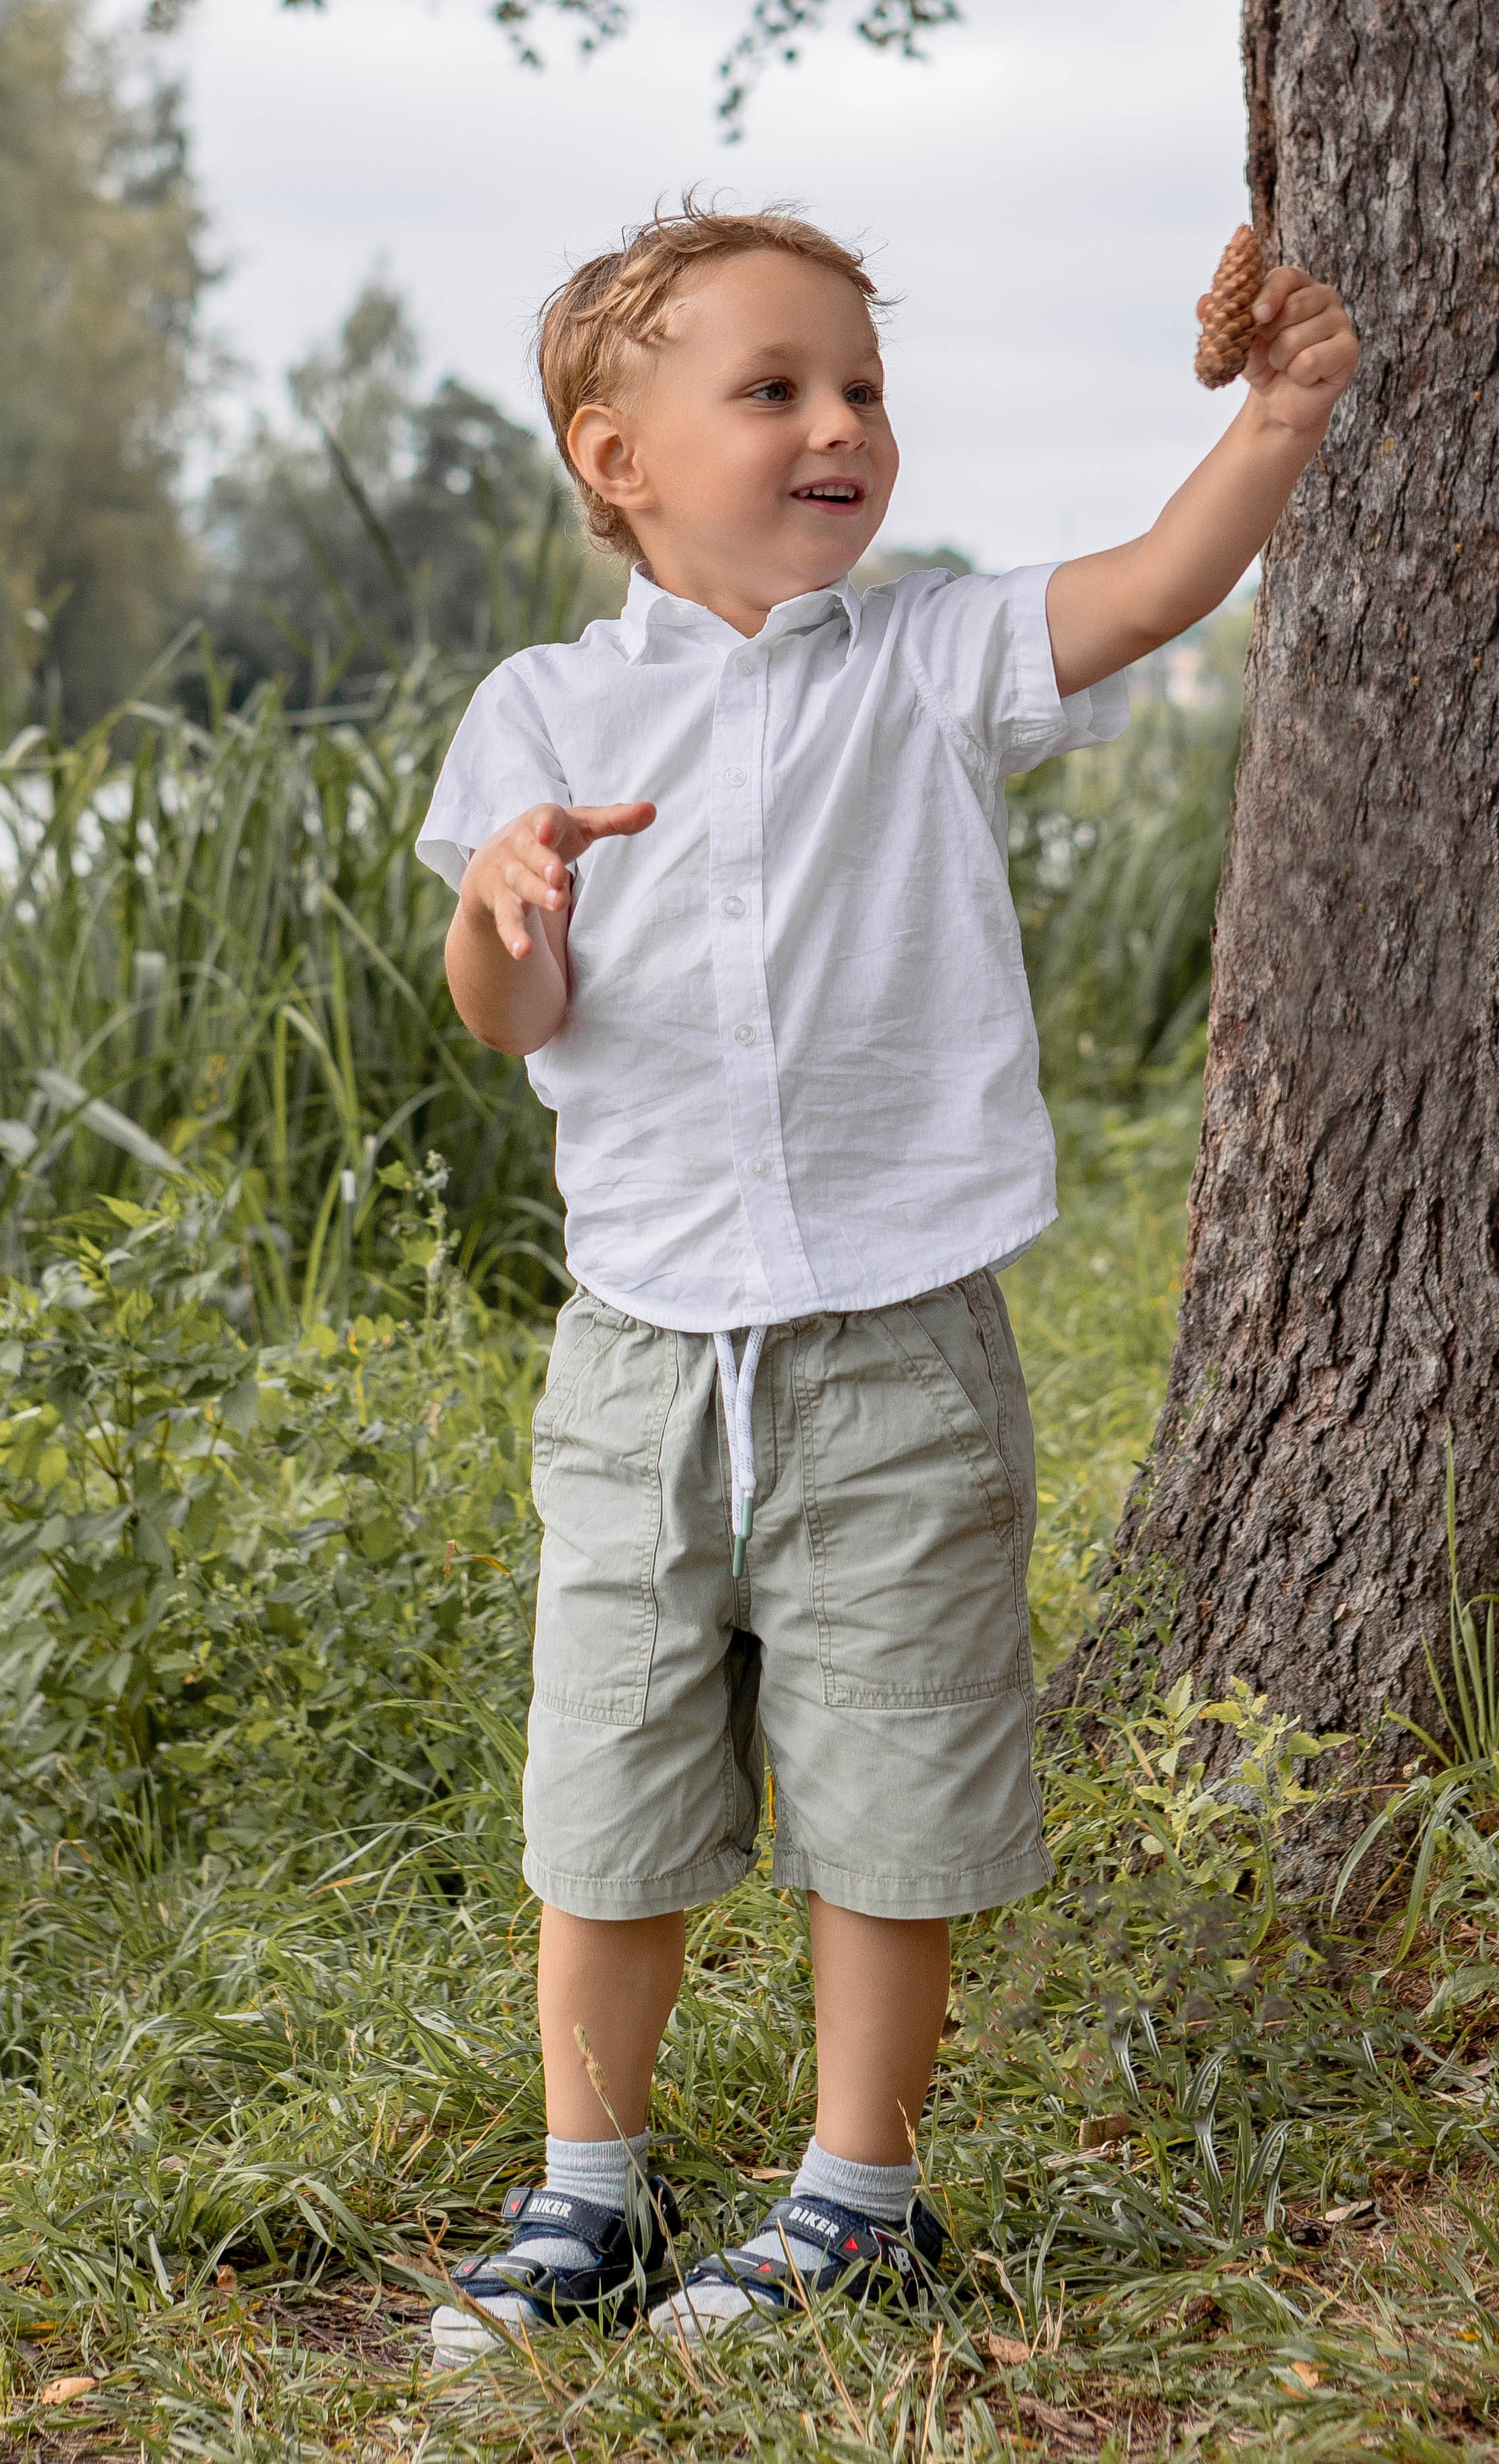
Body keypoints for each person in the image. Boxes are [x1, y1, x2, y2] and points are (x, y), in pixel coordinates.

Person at [413, 204, 1359, 2362]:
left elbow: (1153, 584)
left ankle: (858, 2201)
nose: (841, 424)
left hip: (895, 1341)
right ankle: (586, 2198)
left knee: (893, 1784)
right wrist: (501, 904)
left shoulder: (926, 661)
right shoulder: (544, 711)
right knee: (607, 1791)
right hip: (643, 1354)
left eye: (861, 387)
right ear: (618, 457)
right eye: (775, 390)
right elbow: (511, 1015)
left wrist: (1279, 420)